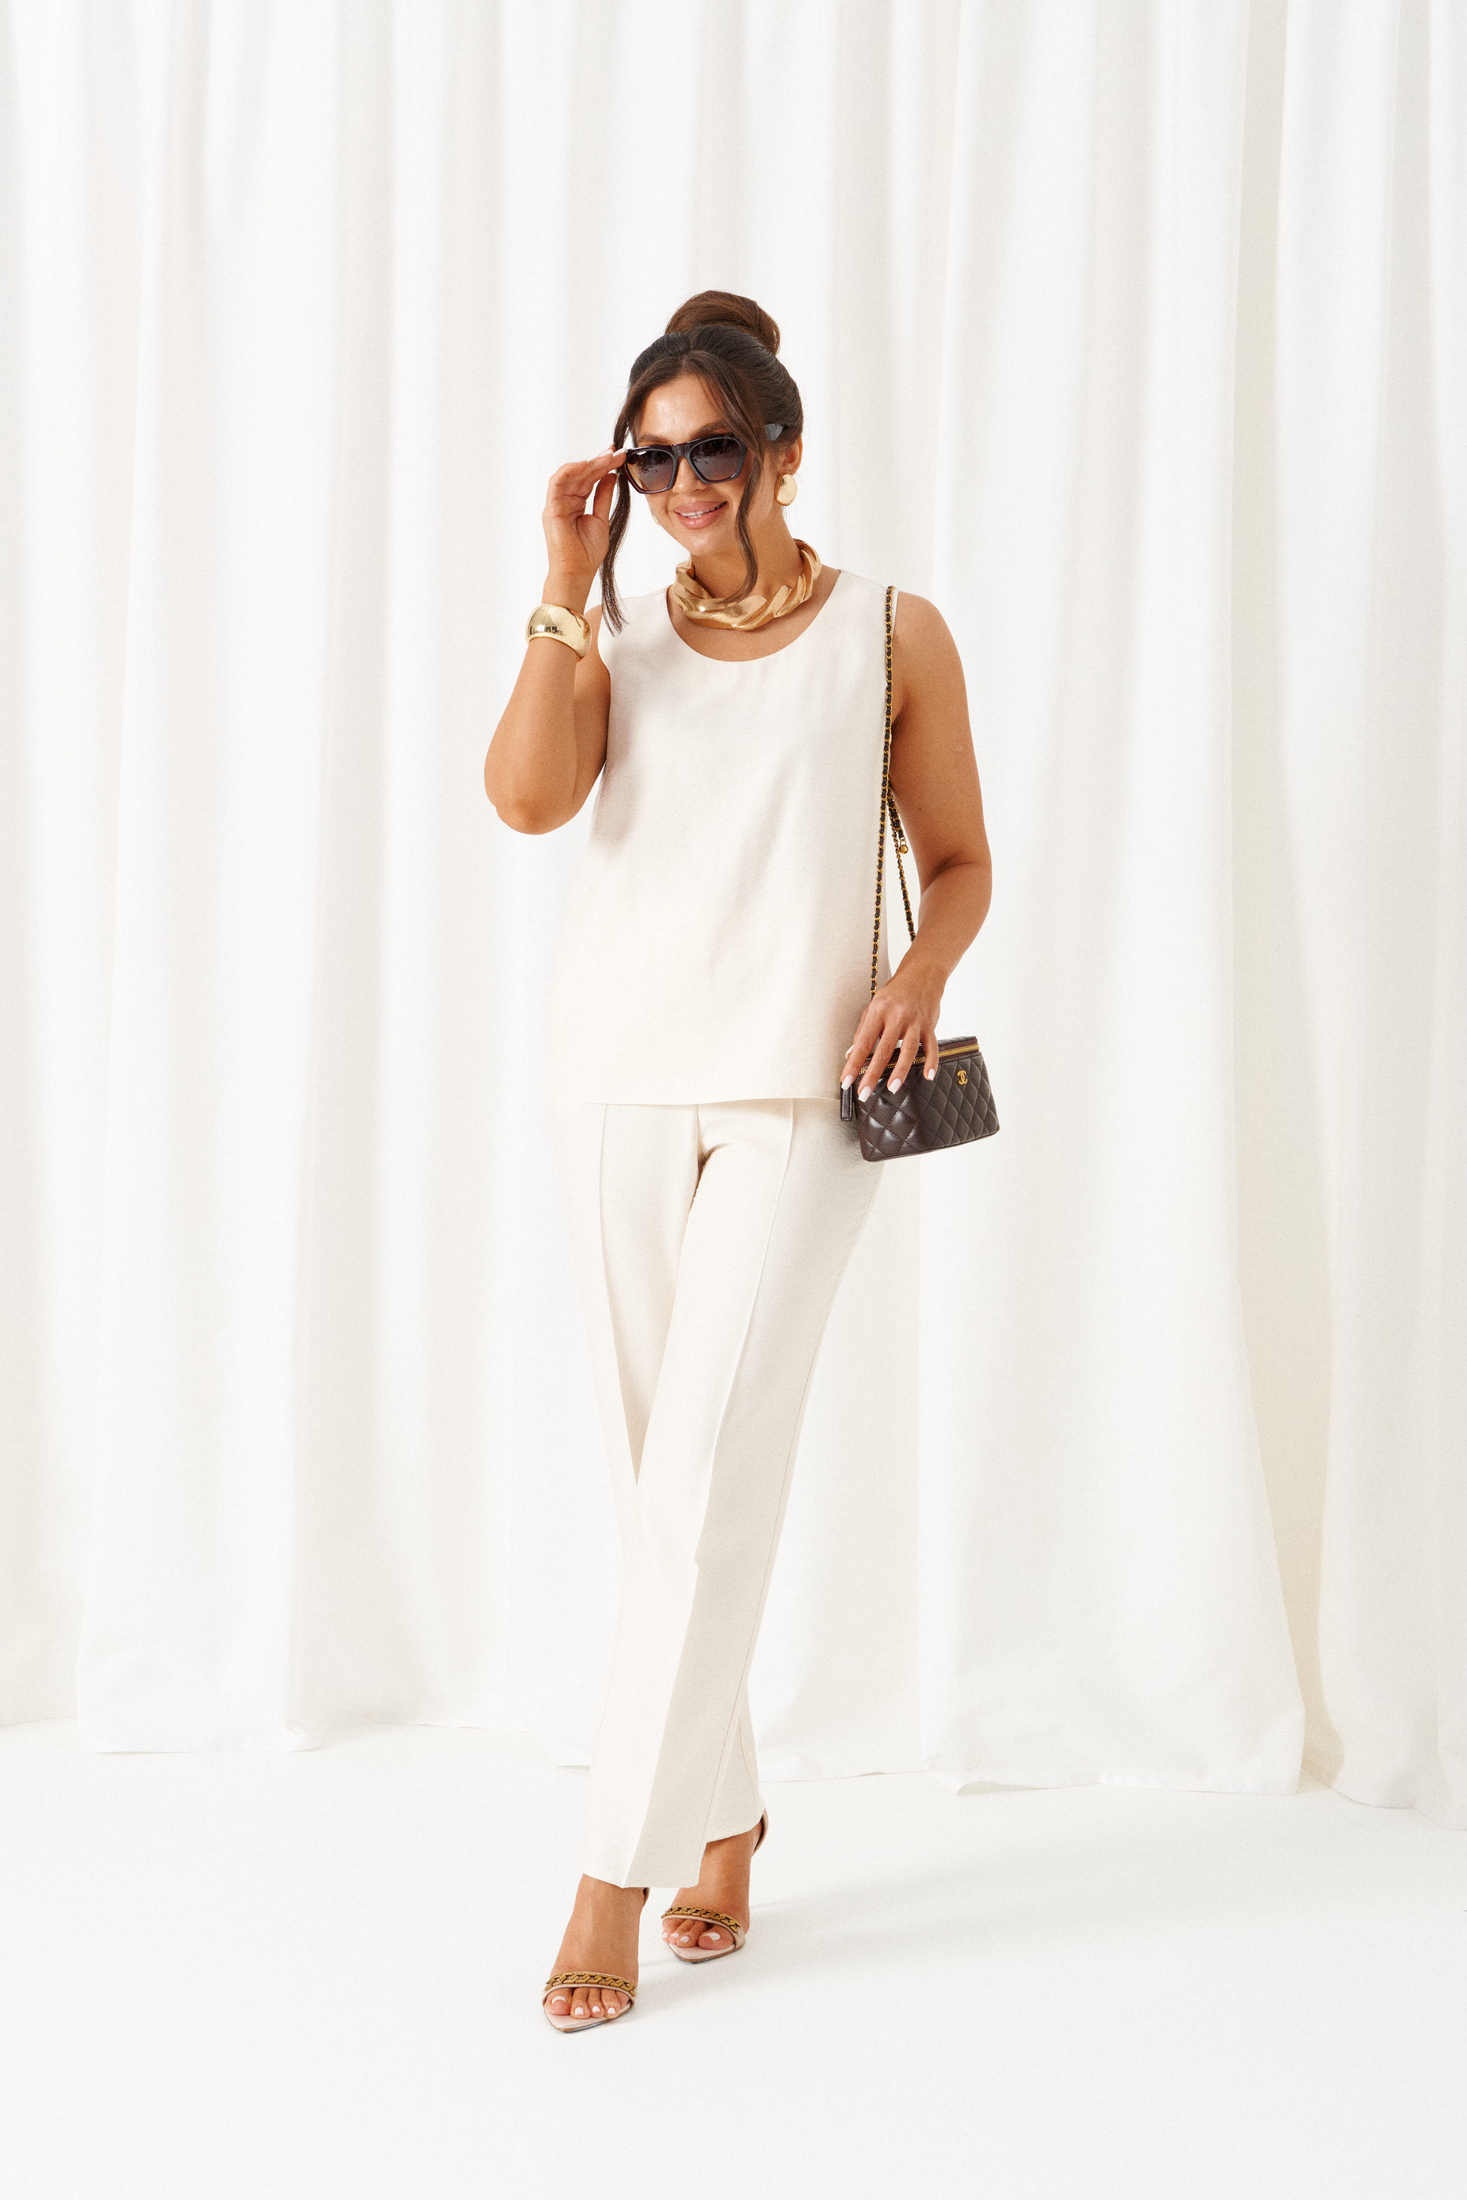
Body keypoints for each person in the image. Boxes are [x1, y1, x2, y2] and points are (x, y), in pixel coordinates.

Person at [483, 290, 992, 2032]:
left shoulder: (893, 633)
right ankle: (727, 1818)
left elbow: (960, 858)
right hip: (615, 1087)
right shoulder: (609, 635)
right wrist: (566, 575)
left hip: (801, 1097)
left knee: (705, 1480)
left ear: (782, 449)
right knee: (666, 1496)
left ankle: (609, 1878)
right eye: (653, 458)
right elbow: (526, 801)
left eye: (713, 448)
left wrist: (920, 980)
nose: (685, 481)